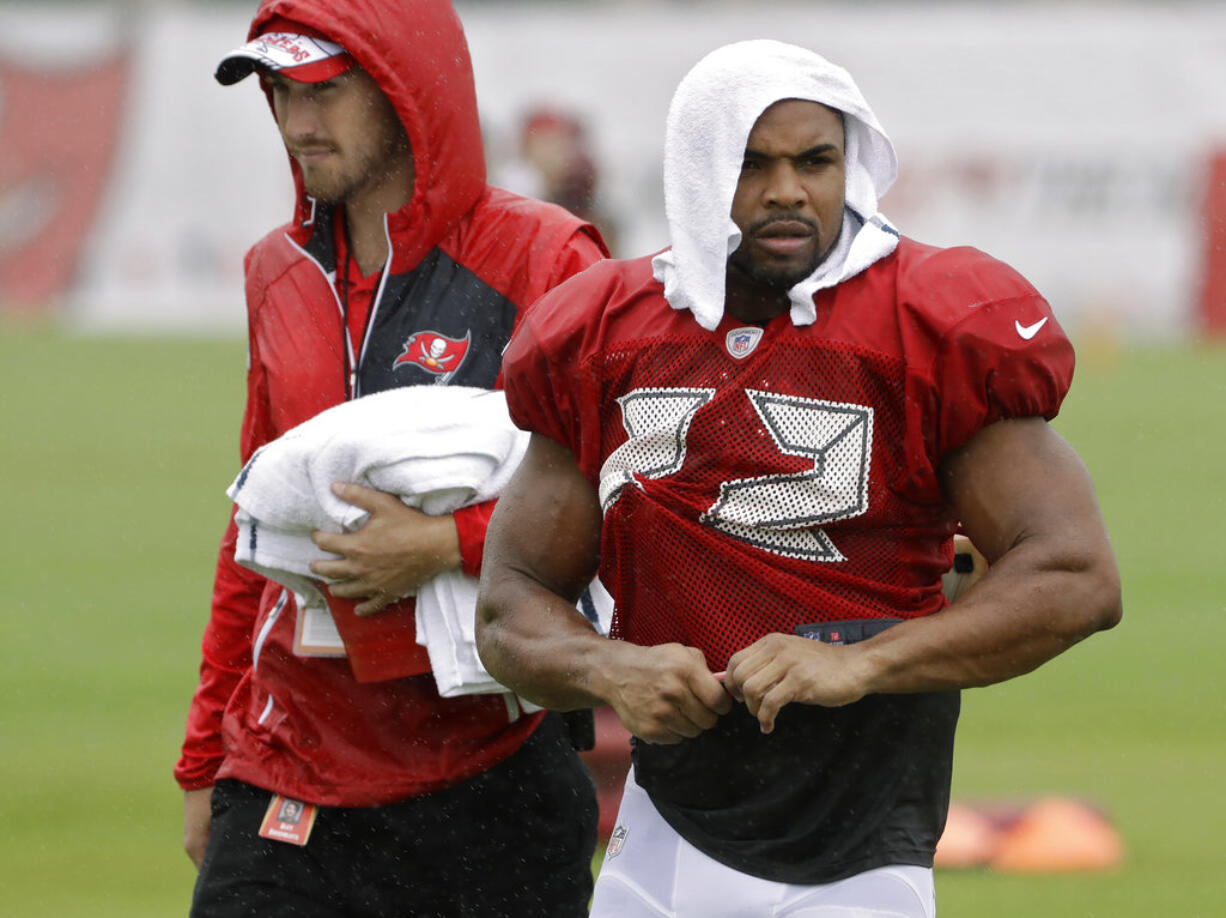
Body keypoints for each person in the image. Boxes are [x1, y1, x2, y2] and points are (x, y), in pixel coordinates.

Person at [475, 39, 1122, 918]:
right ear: (697, 171)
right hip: (666, 823)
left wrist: (860, 661)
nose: (789, 190)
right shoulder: (603, 332)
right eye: (753, 163)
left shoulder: (927, 320)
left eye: (815, 161)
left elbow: (1077, 577)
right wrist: (608, 667)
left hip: (860, 838)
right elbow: (509, 605)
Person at [175, 2, 607, 916]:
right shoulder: (275, 270)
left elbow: (623, 493)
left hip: (492, 772)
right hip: (287, 763)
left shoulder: (544, 255)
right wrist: (205, 754)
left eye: (324, 91)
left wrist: (448, 544)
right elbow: (250, 519)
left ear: (405, 92)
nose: (297, 123)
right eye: (280, 91)